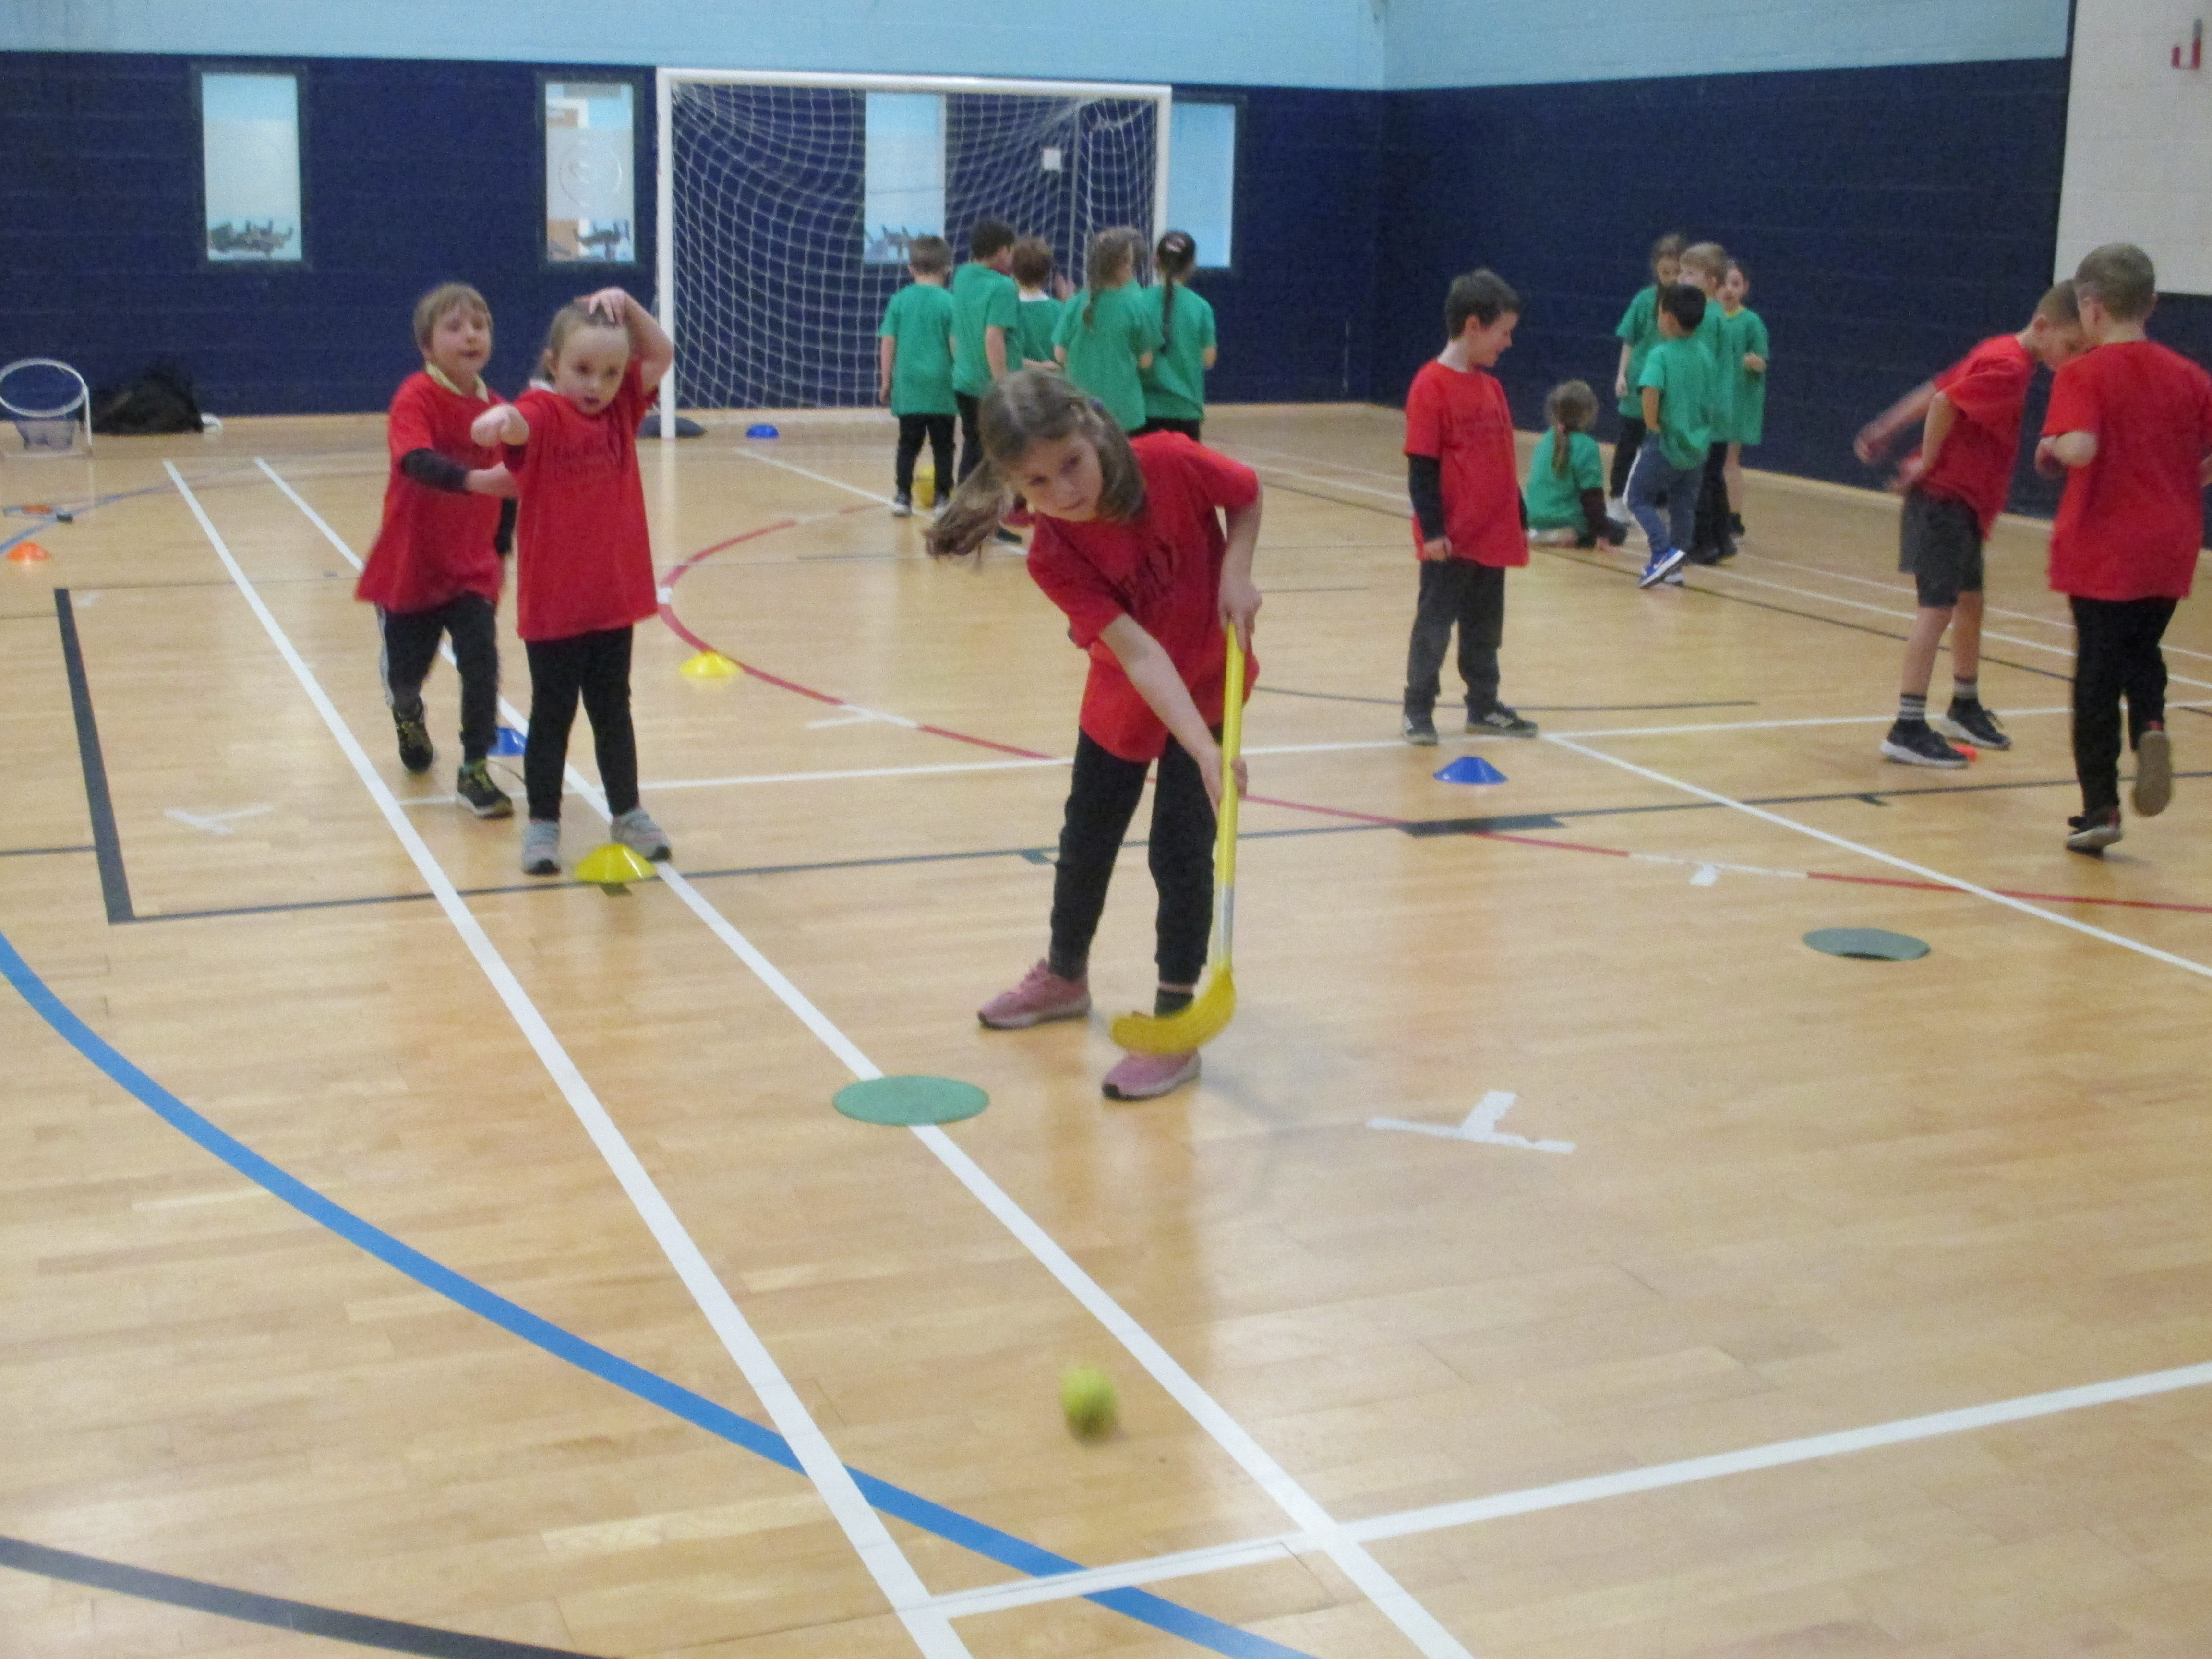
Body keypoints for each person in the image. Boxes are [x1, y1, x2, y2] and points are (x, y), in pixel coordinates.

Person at [925, 370, 1262, 1103]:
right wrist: (1204, 750)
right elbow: (1140, 655)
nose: (1065, 491)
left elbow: (1246, 493)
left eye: (1072, 463)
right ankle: (1065, 976)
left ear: (1090, 427)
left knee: (1181, 852)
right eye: (1038, 483)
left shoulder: (1169, 461)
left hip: (1207, 682)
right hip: (1125, 692)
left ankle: (1174, 1023)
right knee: (1086, 838)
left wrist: (1236, 568)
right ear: (1013, 484)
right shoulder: (1052, 555)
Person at [471, 290, 674, 877]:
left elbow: (662, 353)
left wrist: (628, 306)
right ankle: (543, 822)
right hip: (555, 605)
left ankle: (627, 812)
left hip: (611, 600)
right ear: (552, 363)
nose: (597, 385)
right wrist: (498, 421)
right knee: (553, 714)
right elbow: (517, 425)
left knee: (614, 710)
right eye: (582, 370)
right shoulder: (543, 413)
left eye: (611, 373)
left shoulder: (621, 412)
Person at [1856, 283, 2084, 769]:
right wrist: (1926, 461)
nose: (2073, 358)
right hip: (1944, 499)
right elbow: (1945, 402)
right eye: (2071, 346)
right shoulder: (2009, 365)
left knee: (1970, 602)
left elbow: (1935, 389)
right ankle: (1907, 727)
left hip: (1965, 504)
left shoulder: (2002, 351)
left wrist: (1887, 425)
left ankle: (1963, 705)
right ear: (2044, 326)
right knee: (1936, 611)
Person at [2034, 244, 2212, 854]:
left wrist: (2053, 445)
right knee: (2142, 646)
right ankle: (2152, 722)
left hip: (2104, 543)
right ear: (2152, 304)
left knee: (2097, 673)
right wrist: (2188, 476)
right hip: (2172, 540)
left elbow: (2081, 448)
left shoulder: (2083, 373)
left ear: (2091, 308)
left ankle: (2101, 808)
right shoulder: (2188, 375)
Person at [356, 282, 519, 818]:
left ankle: (474, 769)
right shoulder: (416, 396)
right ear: (427, 346)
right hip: (414, 564)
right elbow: (416, 461)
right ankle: (407, 713)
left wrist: (500, 549)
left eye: (480, 325)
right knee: (407, 674)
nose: (471, 335)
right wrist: (474, 480)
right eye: (455, 326)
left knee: (482, 663)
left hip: (471, 566)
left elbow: (510, 484)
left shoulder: (499, 411)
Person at [1400, 268, 1537, 743]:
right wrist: (1434, 530)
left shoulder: (1492, 388)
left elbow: (1501, 460)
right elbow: (1422, 467)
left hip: (1491, 535)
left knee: (1485, 628)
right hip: (1451, 539)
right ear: (1474, 326)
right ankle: (1418, 708)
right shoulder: (1430, 386)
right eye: (1504, 332)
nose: (1508, 343)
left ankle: (1484, 705)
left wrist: (1518, 514)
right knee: (1435, 626)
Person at [1628, 284, 1715, 589]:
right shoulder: (1705, 354)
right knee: (1683, 506)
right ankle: (1676, 566)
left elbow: (1651, 391)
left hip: (1666, 444)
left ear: (1668, 318)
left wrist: (1652, 424)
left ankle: (1661, 552)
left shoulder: (1661, 354)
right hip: (1697, 446)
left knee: (1638, 497)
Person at [877, 233, 957, 517]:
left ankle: (902, 497)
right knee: (943, 446)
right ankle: (943, 498)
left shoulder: (899, 301)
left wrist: (886, 380)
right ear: (947, 269)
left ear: (911, 269)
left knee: (908, 444)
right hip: (942, 387)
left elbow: (888, 341)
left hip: (909, 387)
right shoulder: (950, 302)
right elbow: (954, 344)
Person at [1053, 227, 1161, 435]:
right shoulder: (1138, 307)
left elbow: (1059, 355)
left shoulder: (1075, 303)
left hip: (1080, 410)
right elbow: (1146, 362)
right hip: (1124, 412)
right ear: (1123, 266)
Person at [1610, 233, 1686, 513]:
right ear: (1656, 269)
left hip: (1671, 388)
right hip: (1639, 383)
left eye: (1677, 272)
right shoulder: (1644, 300)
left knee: (1664, 447)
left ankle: (1660, 501)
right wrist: (1621, 375)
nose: (1671, 278)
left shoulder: (1690, 304)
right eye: (1665, 272)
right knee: (1629, 443)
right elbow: (1629, 340)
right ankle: (1617, 496)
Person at [1677, 241, 1738, 563]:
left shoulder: (1704, 317)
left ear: (1712, 281)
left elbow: (1699, 364)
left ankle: (1702, 544)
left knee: (1698, 477)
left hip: (1705, 409)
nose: (1682, 279)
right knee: (1714, 475)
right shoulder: (1719, 315)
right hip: (1721, 409)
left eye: (1690, 274)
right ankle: (1722, 539)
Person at [950, 218, 1019, 484]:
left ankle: (965, 501)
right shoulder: (1003, 287)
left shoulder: (963, 276)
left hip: (963, 381)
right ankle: (987, 503)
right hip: (989, 385)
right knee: (995, 452)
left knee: (973, 446)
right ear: (1003, 251)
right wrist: (1002, 384)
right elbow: (994, 337)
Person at [1525, 380, 1626, 548]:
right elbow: (1592, 496)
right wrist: (1602, 534)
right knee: (1619, 532)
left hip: (1534, 517)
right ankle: (1566, 534)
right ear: (1587, 413)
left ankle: (1542, 534)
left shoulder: (1546, 439)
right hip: (1568, 520)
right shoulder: (1587, 446)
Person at [1138, 229, 1217, 439]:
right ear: (1192, 265)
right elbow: (1208, 359)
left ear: (1155, 261)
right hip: (1186, 411)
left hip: (1143, 410)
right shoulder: (1201, 307)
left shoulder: (1138, 302)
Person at [1718, 261, 1769, 536]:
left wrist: (1755, 362)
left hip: (1736, 404)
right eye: (1725, 283)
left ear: (1745, 288)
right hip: (1710, 402)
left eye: (1736, 284)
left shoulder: (1751, 322)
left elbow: (1762, 361)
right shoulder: (1710, 318)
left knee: (1729, 461)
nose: (1729, 289)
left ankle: (1734, 519)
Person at [1009, 236, 1064, 371]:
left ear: (1013, 271)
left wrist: (1037, 367)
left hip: (1020, 381)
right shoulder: (1060, 310)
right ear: (1046, 274)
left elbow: (1007, 356)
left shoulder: (1008, 310)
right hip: (1054, 381)